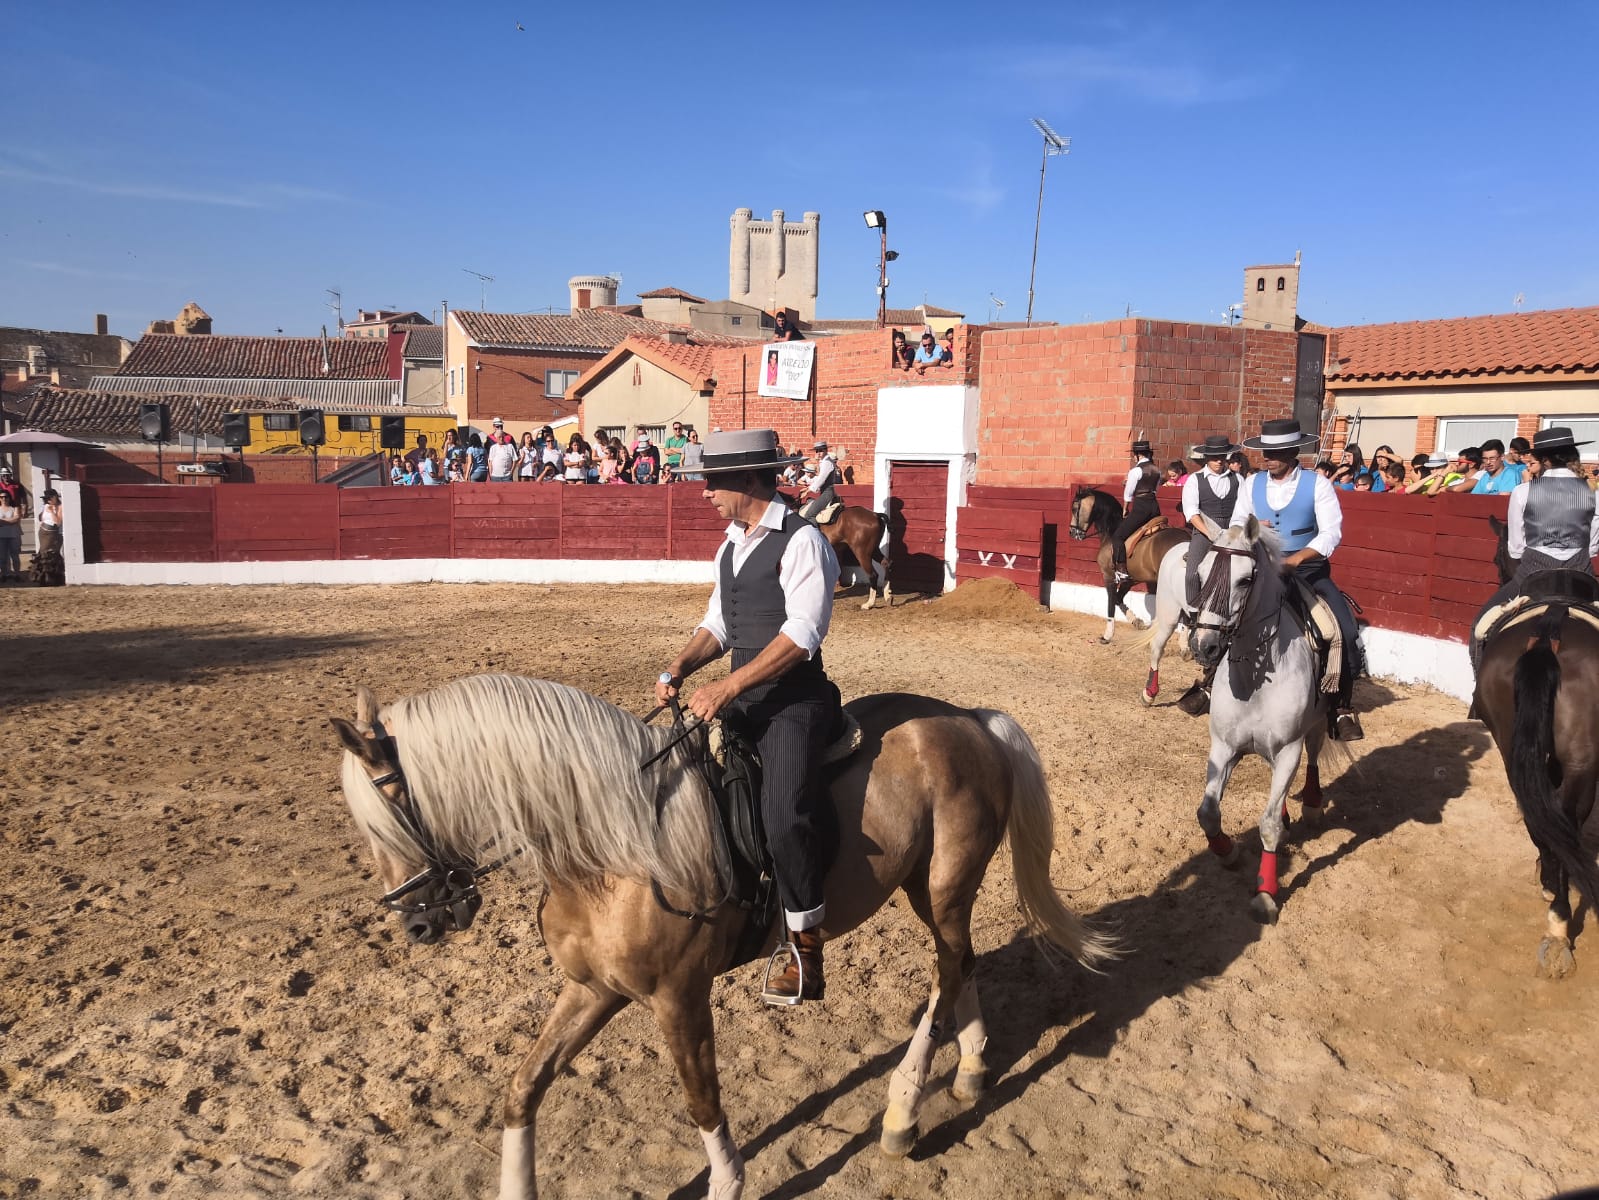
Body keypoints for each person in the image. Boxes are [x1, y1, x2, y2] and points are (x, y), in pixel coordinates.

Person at [655, 429, 840, 1005]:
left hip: (795, 702)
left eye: (714, 482)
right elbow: (719, 625)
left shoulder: (803, 541)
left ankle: (804, 951)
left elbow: (802, 635)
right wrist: (681, 666)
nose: (705, 493)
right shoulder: (732, 543)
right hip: (742, 699)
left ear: (752, 481)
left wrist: (728, 685)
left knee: (784, 813)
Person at [1230, 417, 1364, 740]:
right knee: (1226, 614)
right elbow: (1236, 523)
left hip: (1306, 572)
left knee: (1343, 629)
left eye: (1275, 452)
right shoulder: (1251, 484)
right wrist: (1250, 526)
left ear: (1293, 452)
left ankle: (1340, 707)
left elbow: (1332, 532)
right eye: (1266, 451)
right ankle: (1210, 684)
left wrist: (1298, 558)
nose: (1268, 458)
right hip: (1263, 569)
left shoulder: (1318, 484)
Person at [1471, 426, 1599, 669]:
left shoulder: (1522, 492)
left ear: (1544, 459)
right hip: (1579, 576)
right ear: (1572, 455)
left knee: (1479, 627)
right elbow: (1593, 547)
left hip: (1532, 574)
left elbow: (1517, 548)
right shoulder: (1595, 494)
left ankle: (1480, 692)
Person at [1179, 434, 1243, 623]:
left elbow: (1245, 507)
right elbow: (1191, 513)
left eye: (1222, 456)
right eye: (1214, 457)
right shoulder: (1194, 480)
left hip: (1233, 532)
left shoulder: (1238, 479)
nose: (1218, 460)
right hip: (1205, 532)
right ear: (1206, 457)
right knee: (1192, 575)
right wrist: (1210, 533)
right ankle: (1192, 615)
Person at [1111, 438, 1160, 586]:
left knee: (1118, 537)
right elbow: (1156, 489)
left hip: (1141, 508)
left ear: (1137, 455)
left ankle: (1121, 570)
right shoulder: (1158, 470)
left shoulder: (1135, 471)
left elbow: (1129, 493)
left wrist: (1125, 509)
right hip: (1155, 507)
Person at [32, 488, 64, 587]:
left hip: (52, 533)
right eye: (47, 499)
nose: (49, 500)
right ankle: (41, 578)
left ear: (55, 497)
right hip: (43, 532)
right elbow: (41, 518)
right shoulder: (46, 505)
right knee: (42, 553)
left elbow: (58, 522)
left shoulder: (60, 507)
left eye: (50, 498)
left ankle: (50, 578)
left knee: (48, 554)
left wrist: (52, 512)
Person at [800, 440, 839, 520]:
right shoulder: (824, 462)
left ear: (826, 450)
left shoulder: (827, 463)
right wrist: (808, 488)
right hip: (825, 492)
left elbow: (821, 479)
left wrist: (808, 491)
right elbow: (819, 479)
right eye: (817, 451)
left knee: (809, 515)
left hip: (827, 493)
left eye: (821, 450)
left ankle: (815, 532)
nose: (818, 453)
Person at [0, 487, 21, 582]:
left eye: (6, 497)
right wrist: (10, 521)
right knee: (2, 556)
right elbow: (13, 520)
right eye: (1, 497)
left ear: (9, 497)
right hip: (1, 536)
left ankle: (17, 574)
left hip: (13, 535)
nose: (4, 499)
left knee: (15, 556)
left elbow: (16, 519)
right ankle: (4, 574)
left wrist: (2, 522)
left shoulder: (14, 508)